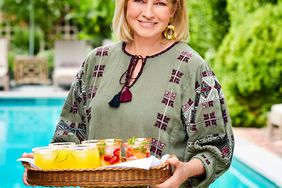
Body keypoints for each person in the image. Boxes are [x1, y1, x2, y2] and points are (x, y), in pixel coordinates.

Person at [23, 0, 234, 187]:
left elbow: (217, 148)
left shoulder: (192, 66)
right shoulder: (96, 61)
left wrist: (184, 171)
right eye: (139, 1)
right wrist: (41, 163)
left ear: (174, 9)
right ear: (124, 4)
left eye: (160, 3)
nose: (148, 13)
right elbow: (69, 135)